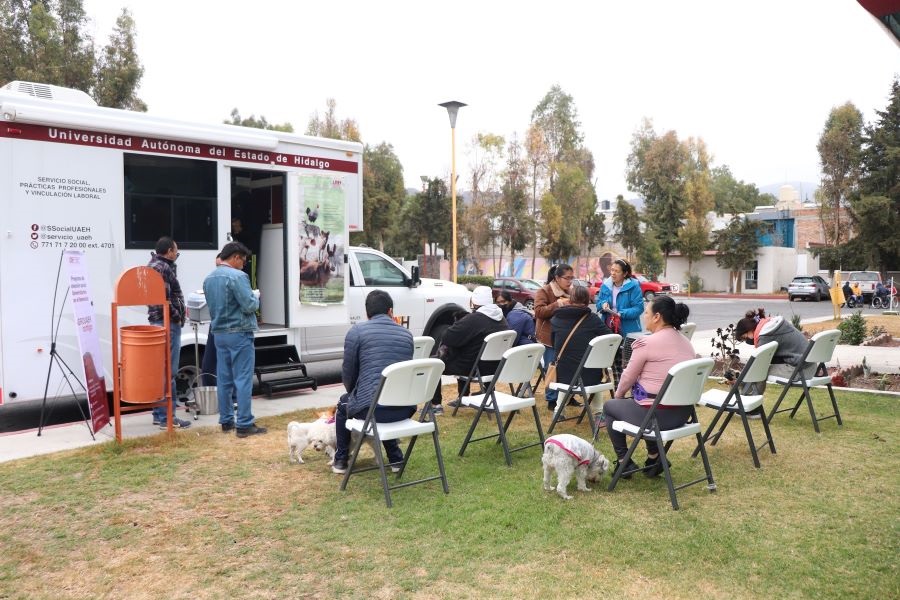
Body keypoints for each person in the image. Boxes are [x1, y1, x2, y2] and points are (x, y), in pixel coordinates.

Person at [603, 296, 695, 478]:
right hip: (683, 413)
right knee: (645, 404)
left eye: (646, 312)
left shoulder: (647, 343)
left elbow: (627, 378)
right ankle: (654, 458)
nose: (644, 316)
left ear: (657, 317)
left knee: (610, 407)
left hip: (658, 417)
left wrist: (619, 396)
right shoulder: (687, 343)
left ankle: (624, 462)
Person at [331, 290, 415, 474]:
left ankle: (341, 460)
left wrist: (353, 393)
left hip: (373, 409)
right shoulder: (407, 335)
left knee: (346, 404)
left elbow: (348, 373)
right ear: (390, 311)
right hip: (403, 409)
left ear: (367, 313)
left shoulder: (357, 332)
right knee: (383, 397)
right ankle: (395, 458)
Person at [203, 241, 266, 438]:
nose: (244, 264)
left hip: (218, 333)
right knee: (243, 378)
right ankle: (245, 423)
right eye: (243, 260)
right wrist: (256, 297)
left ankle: (226, 420)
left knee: (224, 378)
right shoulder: (238, 276)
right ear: (236, 257)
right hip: (239, 332)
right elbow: (248, 305)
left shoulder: (209, 278)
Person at [435, 286, 508, 415]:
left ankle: (436, 405)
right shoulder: (502, 320)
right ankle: (464, 397)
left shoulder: (474, 319)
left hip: (472, 367)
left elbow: (447, 337)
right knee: (466, 349)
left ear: (473, 302)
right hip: (495, 367)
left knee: (434, 363)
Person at [147, 236, 191, 429]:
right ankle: (168, 418)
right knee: (169, 372)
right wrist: (177, 316)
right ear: (170, 251)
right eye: (176, 251)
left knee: (159, 371)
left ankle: (159, 415)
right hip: (167, 323)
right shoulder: (163, 268)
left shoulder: (153, 265)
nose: (177, 255)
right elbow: (163, 299)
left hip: (158, 322)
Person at [549, 285, 612, 417]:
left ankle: (558, 410)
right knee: (593, 366)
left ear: (570, 299)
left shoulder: (556, 318)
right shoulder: (593, 319)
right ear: (587, 300)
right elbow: (610, 338)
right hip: (589, 375)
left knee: (568, 367)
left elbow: (554, 343)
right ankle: (598, 412)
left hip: (563, 373)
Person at [733, 308, 816, 392]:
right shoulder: (774, 326)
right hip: (810, 366)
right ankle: (747, 396)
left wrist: (740, 379)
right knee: (759, 368)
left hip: (801, 371)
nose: (747, 340)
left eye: (745, 337)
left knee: (759, 371)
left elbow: (757, 364)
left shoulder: (765, 336)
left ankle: (749, 399)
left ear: (749, 329)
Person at [534, 264, 574, 411]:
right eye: (567, 278)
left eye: (572, 278)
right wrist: (557, 304)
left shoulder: (571, 292)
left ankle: (567, 396)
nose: (570, 281)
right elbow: (539, 312)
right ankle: (551, 399)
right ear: (557, 278)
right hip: (549, 336)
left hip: (566, 335)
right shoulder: (544, 291)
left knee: (566, 366)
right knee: (551, 367)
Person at [596, 258, 643, 336]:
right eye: (612, 270)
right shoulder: (605, 286)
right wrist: (603, 304)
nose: (613, 273)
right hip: (608, 328)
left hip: (628, 329)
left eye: (617, 271)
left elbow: (638, 308)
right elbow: (598, 303)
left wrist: (621, 313)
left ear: (624, 274)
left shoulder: (634, 286)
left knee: (626, 348)